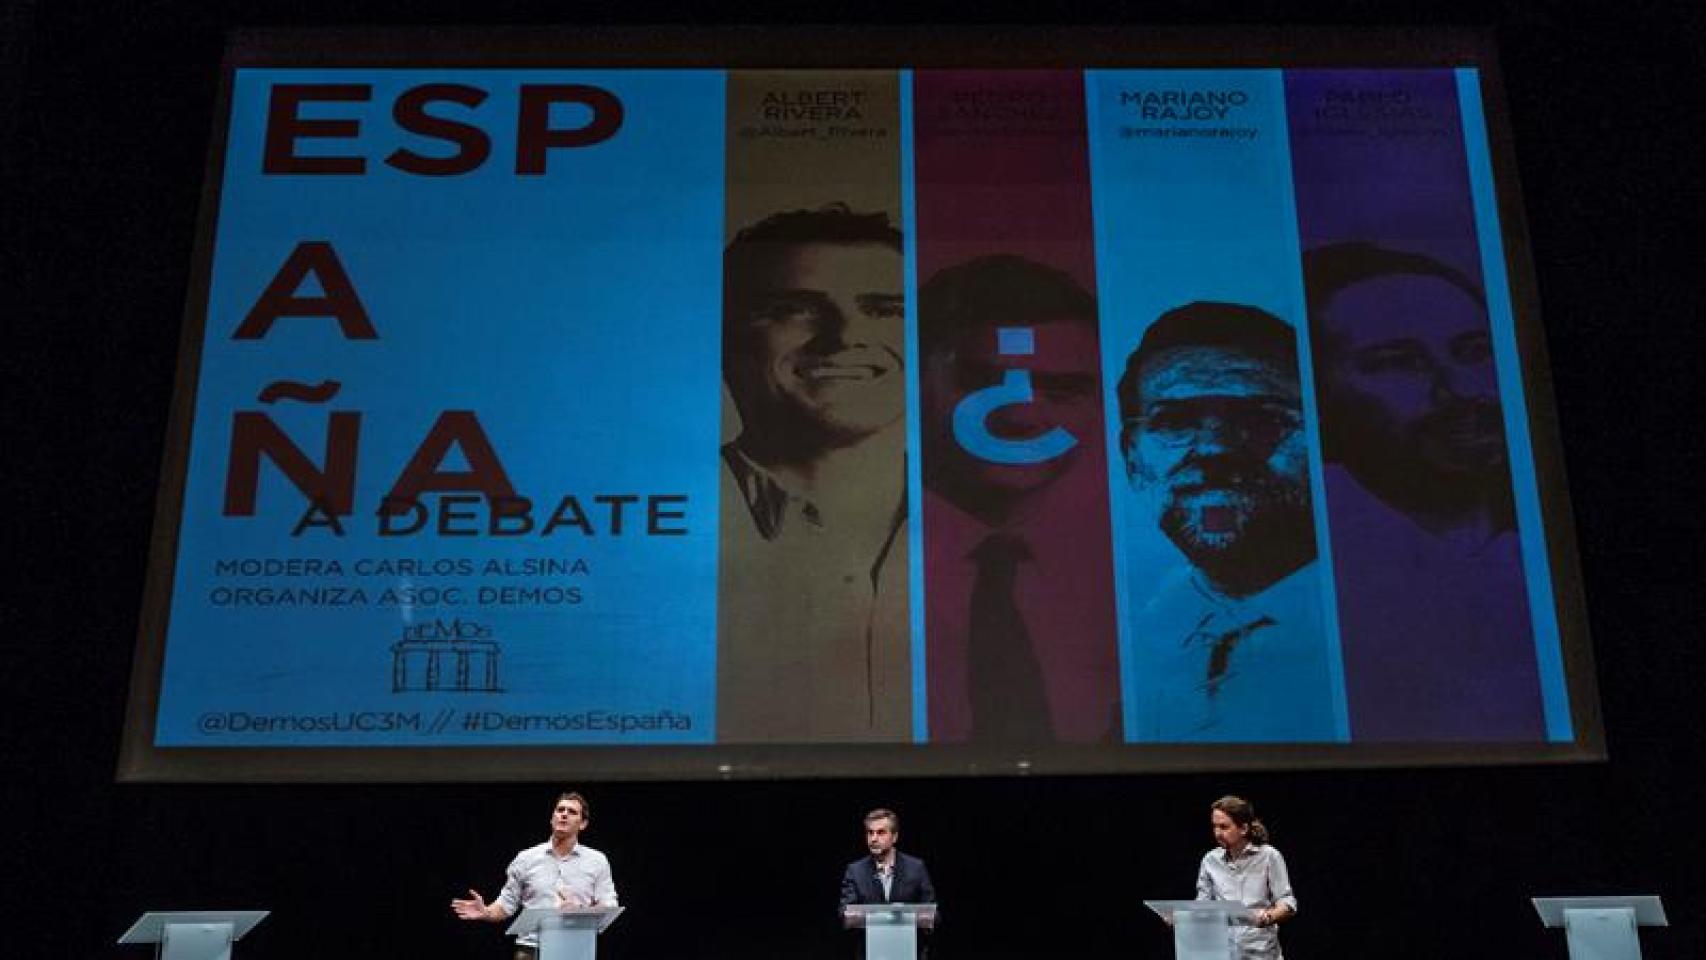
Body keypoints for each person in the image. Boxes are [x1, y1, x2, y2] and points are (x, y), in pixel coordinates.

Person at [1303, 242, 1545, 740]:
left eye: (1474, 352)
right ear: (1318, 399)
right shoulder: (1312, 585)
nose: (1462, 389)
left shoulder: (1542, 551)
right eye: (1400, 363)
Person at [716, 205, 912, 742]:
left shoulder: (983, 525)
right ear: (723, 336)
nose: (845, 336)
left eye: (887, 309)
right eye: (792, 309)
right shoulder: (666, 526)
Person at [917, 254, 1121, 743]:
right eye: (984, 383)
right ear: (915, 383)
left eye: (1064, 389)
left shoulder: (1135, 578)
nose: (1022, 417)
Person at [1116, 303, 1336, 741]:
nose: (1215, 449)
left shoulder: (1390, 623)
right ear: (1132, 460)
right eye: (1175, 421)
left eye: (1261, 420)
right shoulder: (1139, 635)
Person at [451, 792, 617, 960]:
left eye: (572, 812)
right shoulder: (526, 858)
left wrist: (580, 912)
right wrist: (486, 912)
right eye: (560, 810)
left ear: (583, 824)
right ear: (552, 818)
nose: (564, 814)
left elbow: (609, 906)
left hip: (575, 947)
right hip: (530, 950)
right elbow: (506, 904)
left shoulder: (597, 861)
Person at [1195, 795, 1296, 960]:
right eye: (1215, 827)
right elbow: (1204, 904)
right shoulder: (1210, 860)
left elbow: (1287, 902)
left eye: (1224, 827)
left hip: (1261, 953)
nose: (1217, 833)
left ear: (1243, 828)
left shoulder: (1269, 856)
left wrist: (1269, 917)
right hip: (1222, 952)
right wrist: (1182, 918)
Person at [840, 808, 936, 956]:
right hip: (870, 953)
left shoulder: (916, 868)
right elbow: (845, 913)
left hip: (908, 952)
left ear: (894, 836)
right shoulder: (855, 871)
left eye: (881, 832)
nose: (873, 838)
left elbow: (933, 914)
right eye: (870, 832)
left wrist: (908, 916)